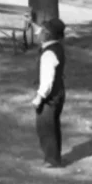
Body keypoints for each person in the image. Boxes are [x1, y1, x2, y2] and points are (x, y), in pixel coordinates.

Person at [32, 18, 67, 169]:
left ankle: (52, 160)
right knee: (53, 124)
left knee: (45, 127)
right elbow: (38, 30)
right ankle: (55, 157)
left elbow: (47, 79)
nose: (37, 33)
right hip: (59, 92)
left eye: (41, 31)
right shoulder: (57, 47)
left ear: (47, 35)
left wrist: (39, 97)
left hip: (50, 96)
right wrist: (31, 22)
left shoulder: (48, 54)